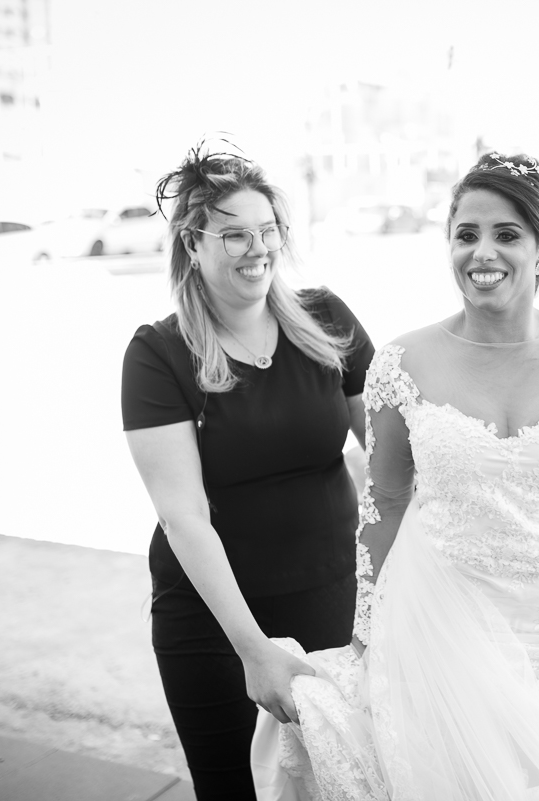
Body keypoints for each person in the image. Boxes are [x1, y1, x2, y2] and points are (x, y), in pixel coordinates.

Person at [250, 152, 539, 799]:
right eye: (466, 234)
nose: (482, 251)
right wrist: (367, 632)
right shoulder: (403, 360)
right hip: (441, 631)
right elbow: (383, 503)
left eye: (506, 233)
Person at [121, 146, 374, 799]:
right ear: (192, 242)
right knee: (234, 788)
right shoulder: (158, 354)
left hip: (329, 599)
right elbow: (184, 516)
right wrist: (252, 647)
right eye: (234, 233)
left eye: (267, 231)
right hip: (213, 621)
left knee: (338, 782)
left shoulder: (326, 320)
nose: (256, 248)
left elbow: (394, 458)